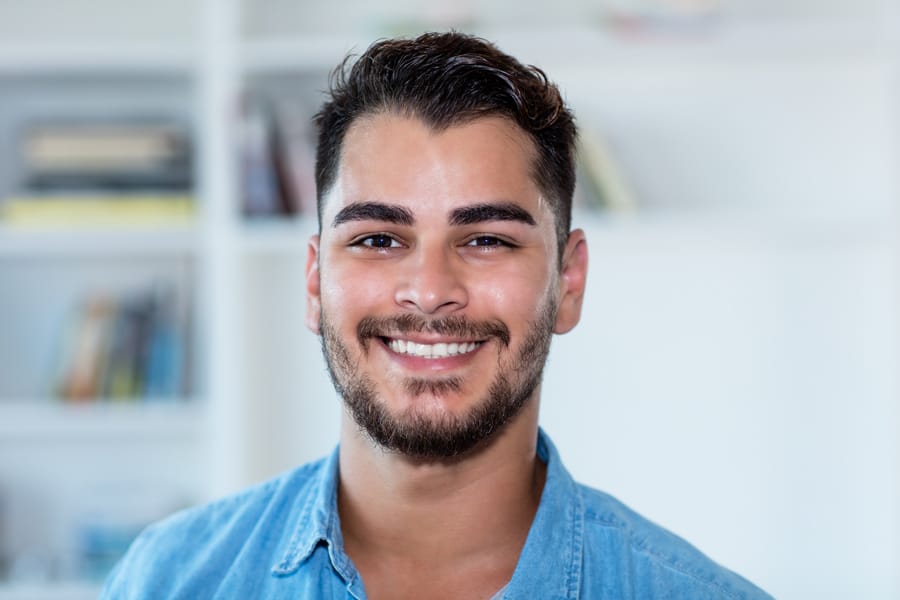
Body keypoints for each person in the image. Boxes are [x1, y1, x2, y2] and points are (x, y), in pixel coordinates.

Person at [102, 32, 772, 599]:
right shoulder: (167, 580)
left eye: (486, 240)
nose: (428, 291)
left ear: (569, 281)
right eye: (377, 239)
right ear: (314, 280)